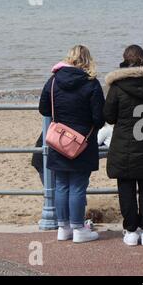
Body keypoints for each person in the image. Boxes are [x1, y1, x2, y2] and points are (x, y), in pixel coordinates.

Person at [39, 45, 105, 243]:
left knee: (61, 185)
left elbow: (44, 109)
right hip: (81, 142)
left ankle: (63, 227)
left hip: (58, 140)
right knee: (77, 186)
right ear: (87, 60)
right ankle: (78, 229)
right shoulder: (91, 84)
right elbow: (99, 118)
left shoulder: (53, 81)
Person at [103, 45, 143, 246]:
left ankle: (130, 231)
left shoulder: (117, 86)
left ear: (124, 59)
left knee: (126, 187)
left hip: (124, 143)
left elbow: (109, 117)